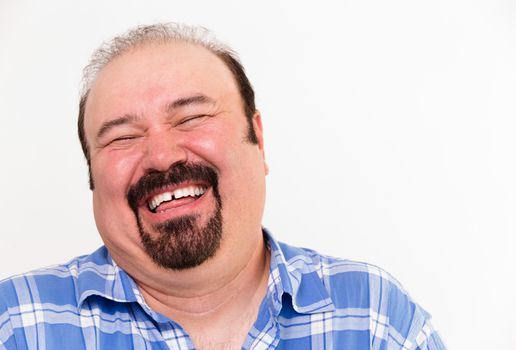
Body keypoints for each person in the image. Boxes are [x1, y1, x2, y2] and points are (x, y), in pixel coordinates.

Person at [0, 23, 446, 349]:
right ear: (93, 178)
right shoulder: (15, 326)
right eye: (122, 137)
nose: (162, 156)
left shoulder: (373, 318)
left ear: (259, 138)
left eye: (192, 117)